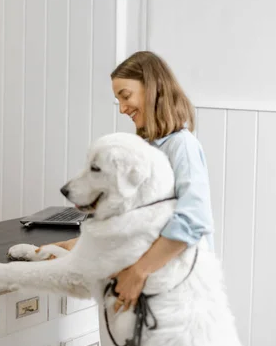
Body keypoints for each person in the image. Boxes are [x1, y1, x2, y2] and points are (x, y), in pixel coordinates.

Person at [51, 51, 214, 311]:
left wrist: (138, 272)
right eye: (118, 99)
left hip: (175, 292)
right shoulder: (144, 149)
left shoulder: (182, 146)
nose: (123, 108)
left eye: (125, 96)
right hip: (149, 288)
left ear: (153, 88)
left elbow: (193, 221)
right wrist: (78, 245)